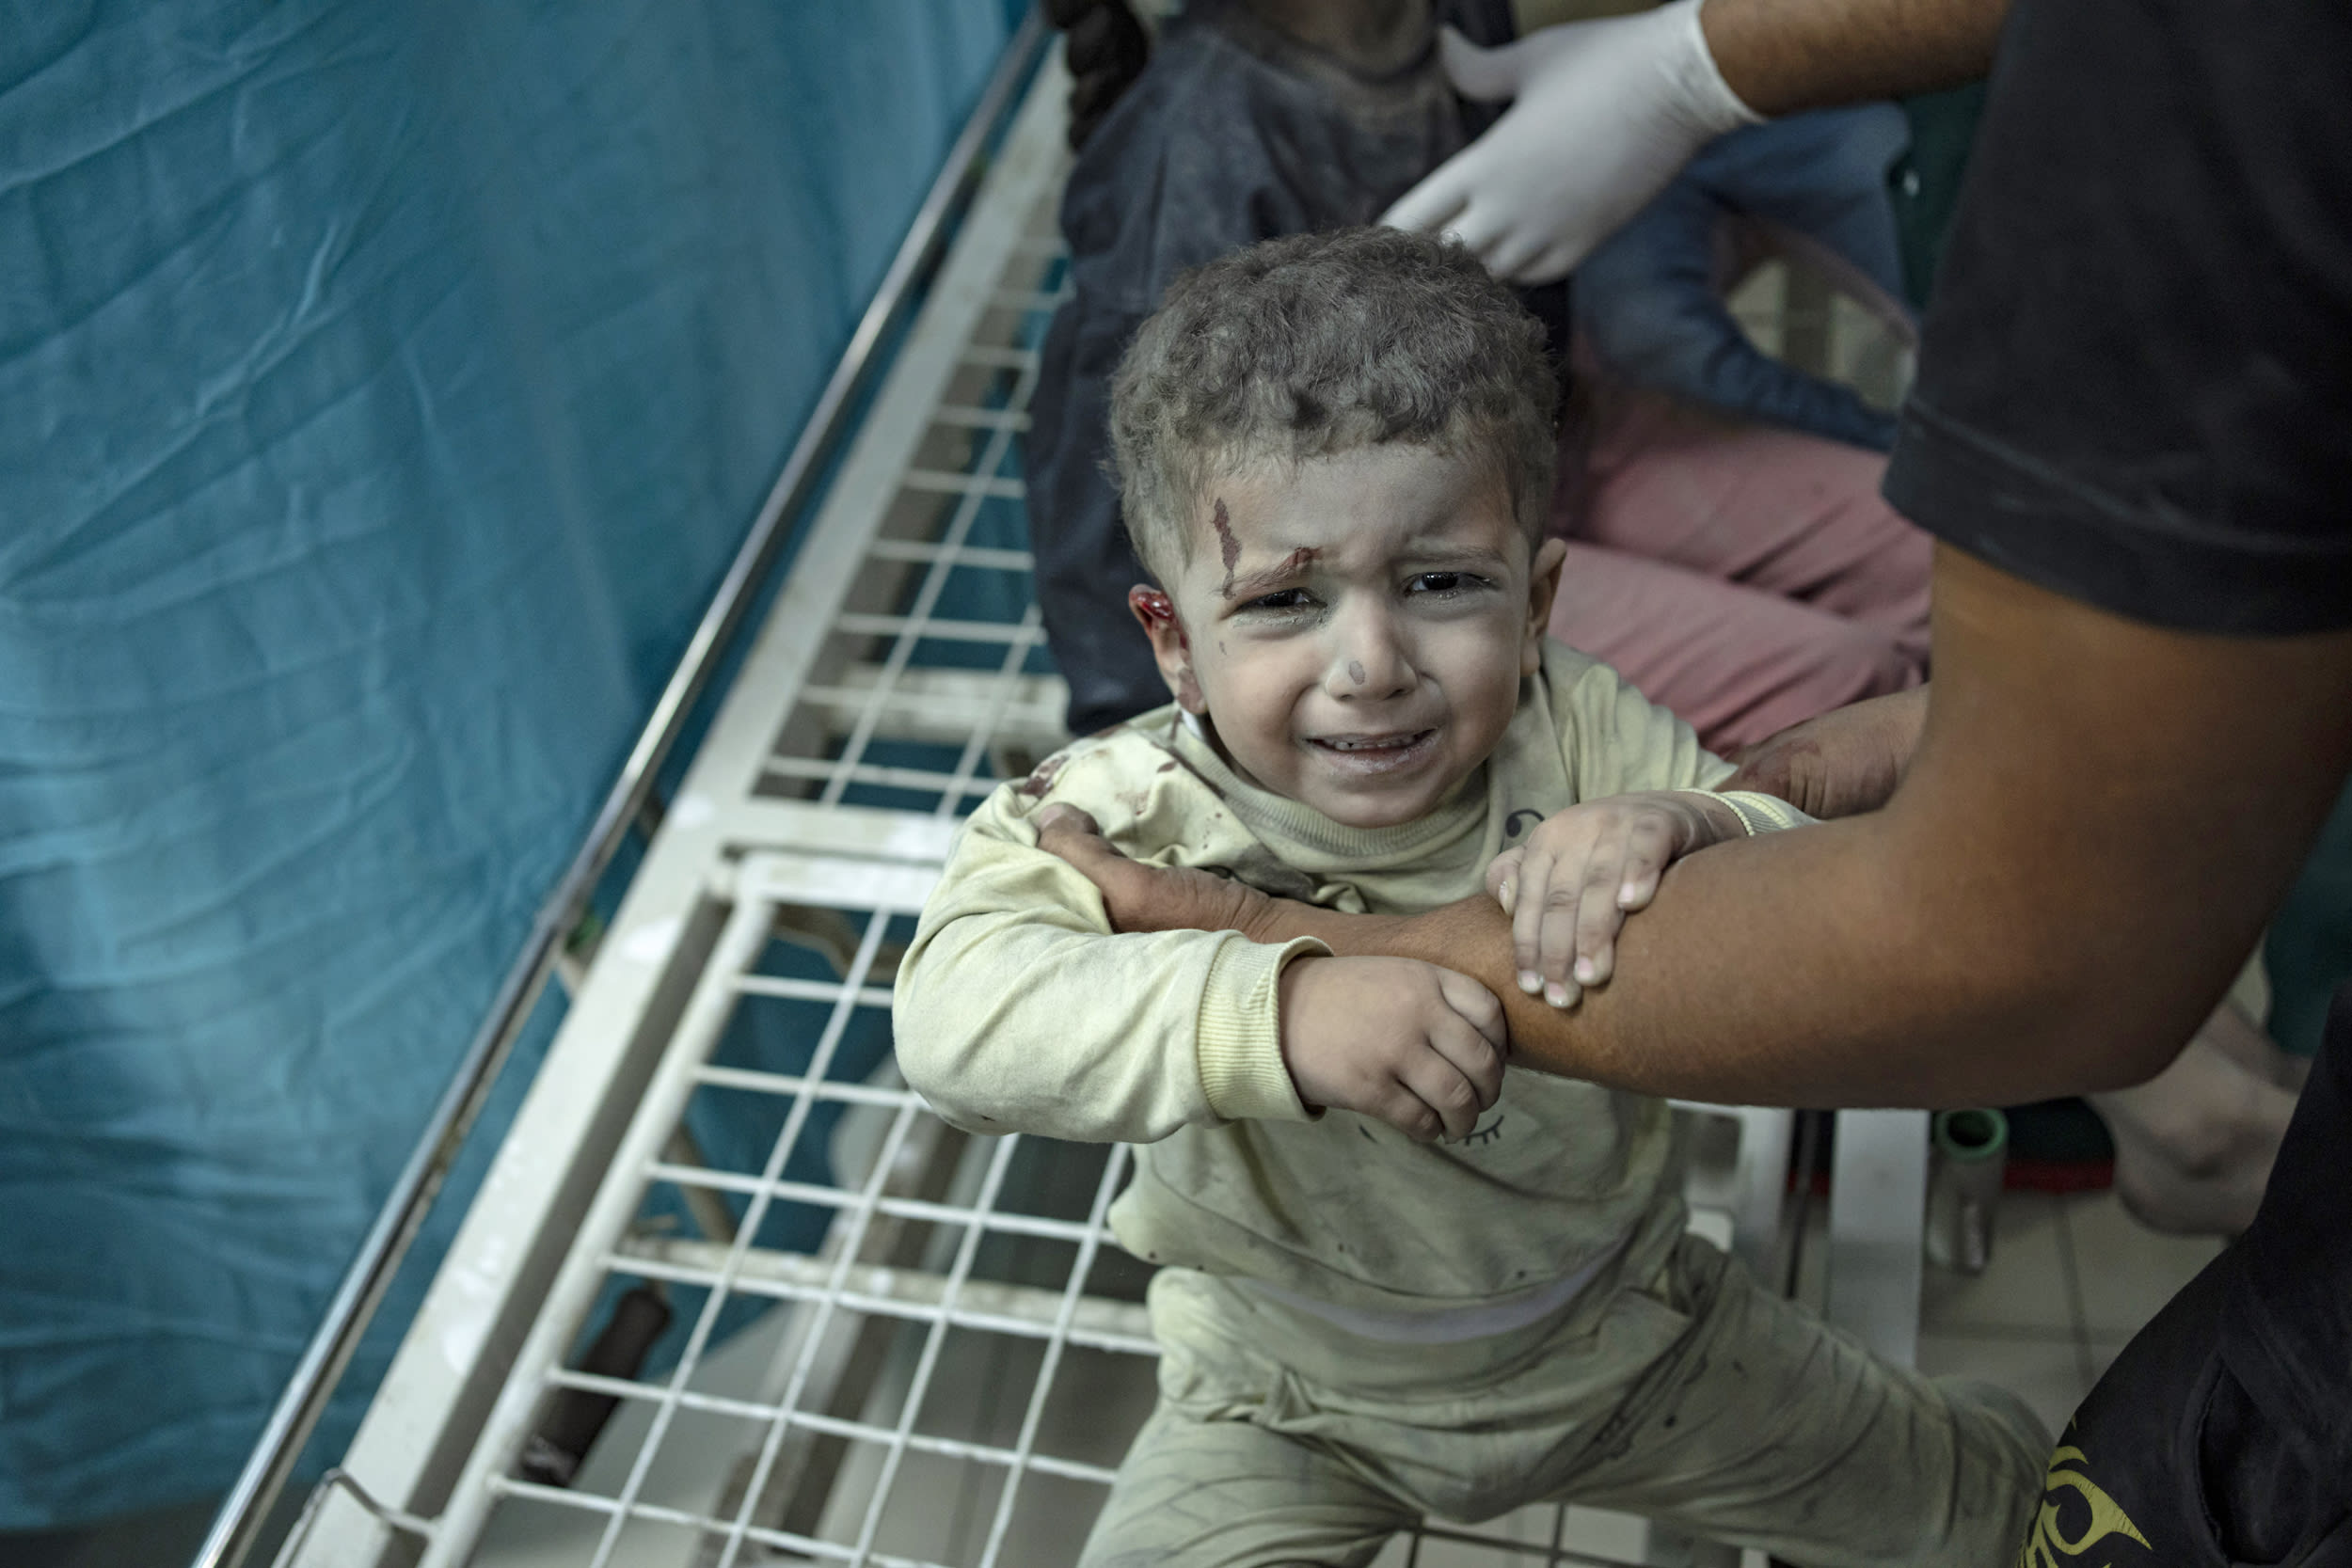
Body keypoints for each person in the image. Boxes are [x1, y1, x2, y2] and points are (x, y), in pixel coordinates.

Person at [1037, 0, 2352, 1556]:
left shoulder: (1453, 31)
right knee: (1861, 705)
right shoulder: (1207, 141)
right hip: (1437, 543)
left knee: (1949, 611)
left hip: (1530, 479)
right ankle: (2185, 1110)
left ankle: (2177, 1096)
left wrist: (1685, 84)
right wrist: (1231, 817)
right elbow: (1142, 583)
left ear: (1542, 608)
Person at [898, 227, 2046, 1568]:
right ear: (1175, 644)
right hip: (1281, 1396)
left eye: (1441, 582)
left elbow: (1784, 888)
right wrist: (1275, 1010)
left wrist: (1696, 813)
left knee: (1988, 1510)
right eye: (1283, 601)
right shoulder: (1121, 812)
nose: (1370, 662)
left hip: (1633, 1337)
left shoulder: (1581, 738)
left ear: (1539, 597)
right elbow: (954, 1012)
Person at [1027, 0, 1931, 753]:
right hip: (1408, 547)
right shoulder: (1193, 156)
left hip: (1549, 436)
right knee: (1849, 677)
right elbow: (1108, 507)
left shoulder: (1447, 22)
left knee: (1947, 564)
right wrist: (1154, 774)